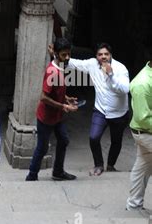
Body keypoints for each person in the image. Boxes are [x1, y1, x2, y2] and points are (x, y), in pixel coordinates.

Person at [66, 43, 130, 176]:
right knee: (94, 138)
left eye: (106, 54)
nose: (103, 57)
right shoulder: (92, 64)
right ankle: (98, 165)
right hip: (100, 110)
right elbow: (74, 63)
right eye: (100, 54)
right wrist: (56, 54)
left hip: (119, 113)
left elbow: (125, 89)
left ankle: (111, 165)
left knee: (116, 141)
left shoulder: (120, 68)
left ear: (110, 55)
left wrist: (111, 75)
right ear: (96, 56)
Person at [26, 37, 78, 182]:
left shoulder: (59, 65)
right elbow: (43, 97)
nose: (67, 58)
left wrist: (66, 98)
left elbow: (57, 90)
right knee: (42, 147)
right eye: (63, 55)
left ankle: (58, 171)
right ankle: (32, 175)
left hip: (57, 117)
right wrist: (63, 106)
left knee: (63, 140)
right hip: (46, 118)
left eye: (69, 54)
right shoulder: (52, 72)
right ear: (56, 54)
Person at [126, 58, 152, 213]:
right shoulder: (142, 83)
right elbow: (143, 118)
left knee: (142, 166)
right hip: (146, 132)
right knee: (142, 165)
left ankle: (134, 204)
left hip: (143, 132)